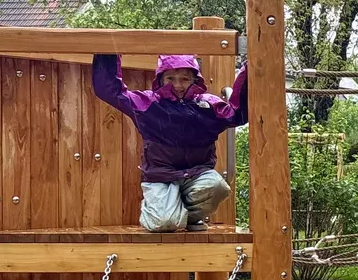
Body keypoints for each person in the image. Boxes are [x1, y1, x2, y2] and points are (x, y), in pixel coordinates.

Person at [91, 53, 248, 232]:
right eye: (170, 78)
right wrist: (108, 51)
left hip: (196, 174)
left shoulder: (208, 106)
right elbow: (111, 91)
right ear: (161, 79)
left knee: (218, 187)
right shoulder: (148, 104)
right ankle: (161, 212)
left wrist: (249, 71)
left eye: (184, 79)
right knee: (163, 224)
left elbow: (237, 114)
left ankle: (188, 216)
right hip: (161, 176)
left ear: (195, 80)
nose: (178, 85)